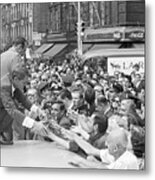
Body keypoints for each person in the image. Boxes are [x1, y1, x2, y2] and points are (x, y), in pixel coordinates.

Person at [0, 63, 48, 142]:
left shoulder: (12, 83)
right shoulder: (4, 86)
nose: (25, 86)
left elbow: (23, 99)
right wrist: (34, 124)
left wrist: (38, 110)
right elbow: (12, 110)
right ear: (16, 79)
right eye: (24, 83)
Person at [69, 128, 139, 169]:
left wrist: (81, 161)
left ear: (115, 148)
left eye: (108, 144)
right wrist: (75, 137)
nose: (105, 145)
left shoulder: (126, 161)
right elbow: (91, 150)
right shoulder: (117, 153)